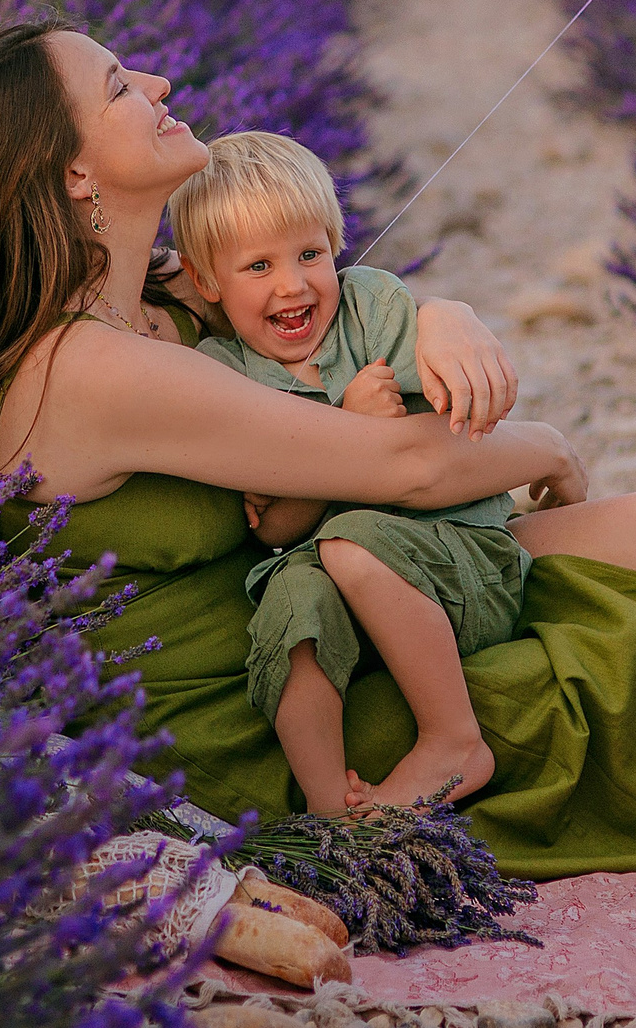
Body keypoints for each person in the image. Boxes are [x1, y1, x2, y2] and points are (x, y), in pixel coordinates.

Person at [0, 15, 636, 879]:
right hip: (273, 716)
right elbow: (407, 467)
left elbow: (343, 303)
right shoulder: (88, 367)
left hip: (352, 596)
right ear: (73, 173)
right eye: (120, 86)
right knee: (632, 661)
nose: (159, 83)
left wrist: (440, 314)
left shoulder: (168, 297)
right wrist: (546, 447)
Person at [171, 130, 525, 814]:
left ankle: (454, 739)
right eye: (258, 266)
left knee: (350, 543)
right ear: (206, 279)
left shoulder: (371, 310)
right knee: (290, 595)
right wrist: (350, 431)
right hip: (337, 588)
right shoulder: (223, 375)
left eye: (310, 254)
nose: (292, 284)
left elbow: (469, 412)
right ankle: (332, 809)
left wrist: (446, 323)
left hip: (452, 561)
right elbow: (276, 528)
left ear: (336, 244)